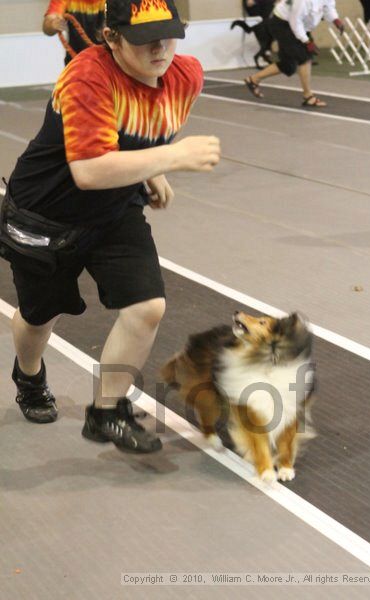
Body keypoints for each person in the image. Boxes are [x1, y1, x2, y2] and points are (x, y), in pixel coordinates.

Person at [1, 0, 220, 454]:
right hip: (45, 213)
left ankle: (105, 412)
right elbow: (89, 169)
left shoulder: (187, 76)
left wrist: (148, 170)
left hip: (115, 210)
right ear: (112, 38)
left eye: (169, 34)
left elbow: (142, 128)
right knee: (40, 317)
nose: (160, 48)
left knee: (147, 306)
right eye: (144, 39)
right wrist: (173, 159)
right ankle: (29, 374)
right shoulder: (87, 75)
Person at [244, 0, 344, 107]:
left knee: (288, 66)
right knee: (305, 57)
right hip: (282, 24)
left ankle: (253, 80)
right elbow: (295, 22)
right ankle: (308, 96)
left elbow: (328, 7)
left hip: (296, 25)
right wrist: (307, 41)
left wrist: (335, 19)